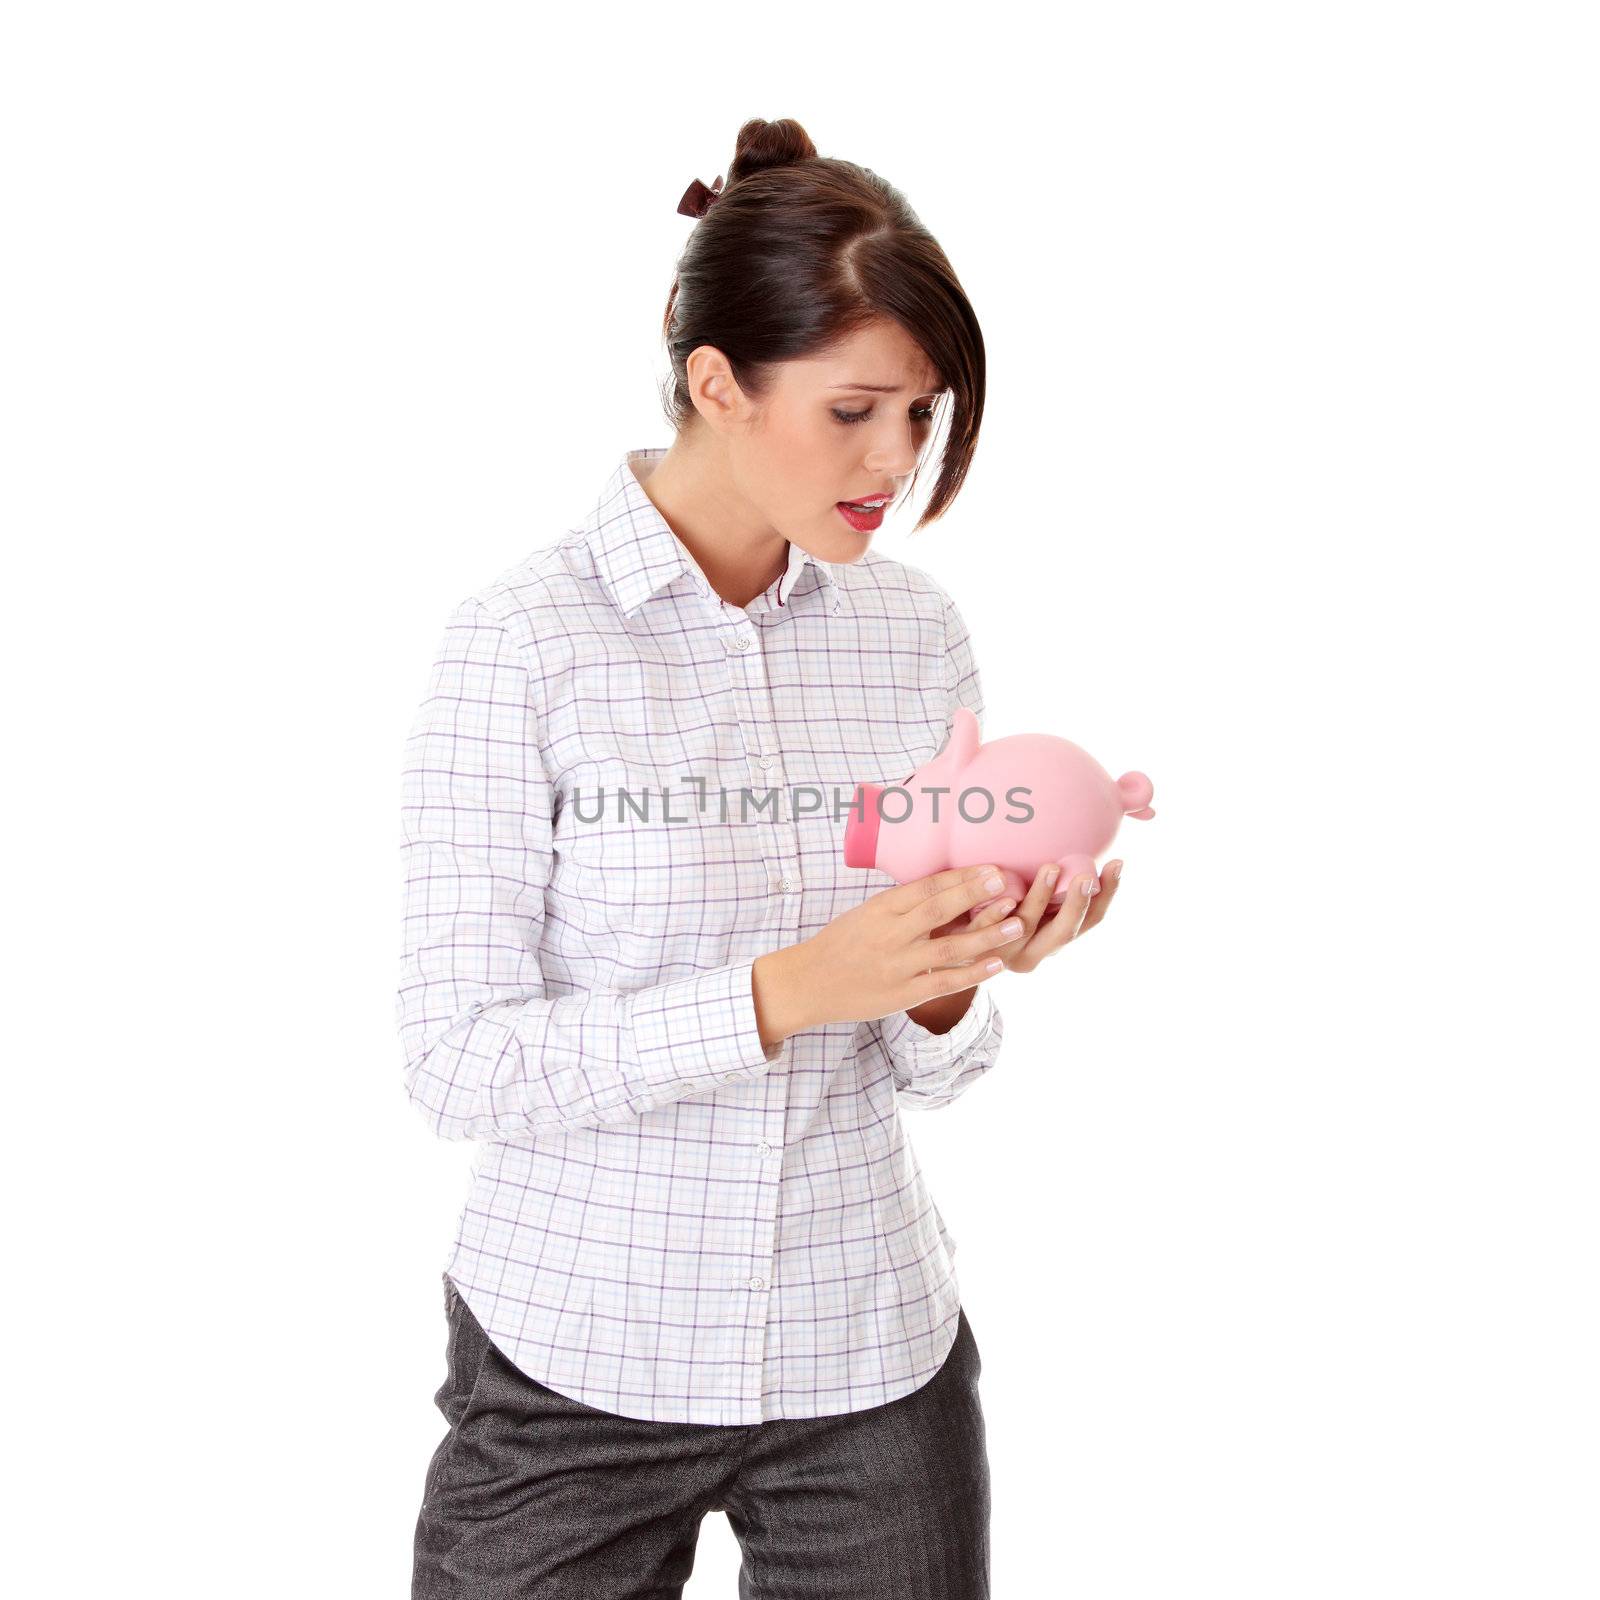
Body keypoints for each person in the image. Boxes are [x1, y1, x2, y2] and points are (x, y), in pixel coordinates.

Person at [397, 115, 1125, 1600]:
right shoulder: (521, 643)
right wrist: (788, 987)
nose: (896, 461)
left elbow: (929, 1062)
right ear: (715, 382)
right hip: (574, 1354)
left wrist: (948, 977)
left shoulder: (914, 632)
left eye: (921, 415)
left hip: (868, 1347)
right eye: (857, 410)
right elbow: (455, 1062)